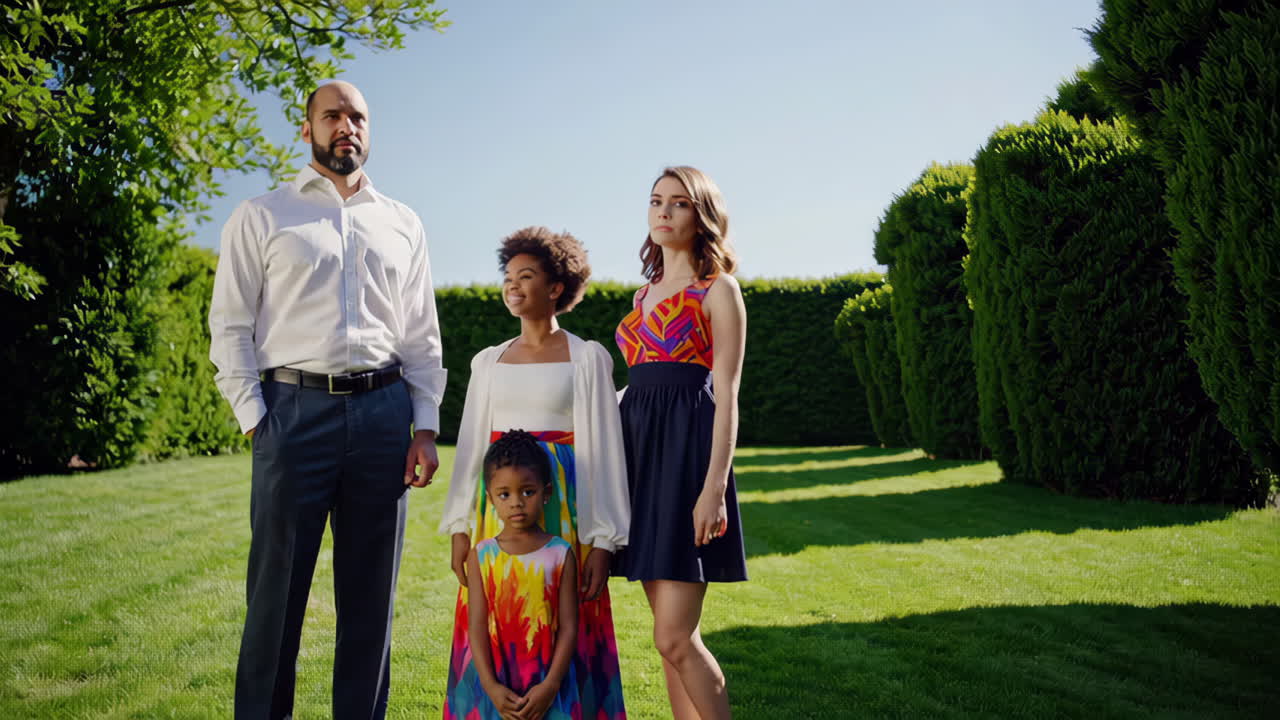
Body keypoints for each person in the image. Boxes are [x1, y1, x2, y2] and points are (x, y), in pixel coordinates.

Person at [208, 80, 446, 720]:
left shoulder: (402, 223)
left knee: (371, 603)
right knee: (275, 602)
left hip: (384, 416)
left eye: (359, 116)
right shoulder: (262, 215)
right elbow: (229, 325)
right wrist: (257, 420)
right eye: (333, 114)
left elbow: (421, 334)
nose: (348, 125)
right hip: (293, 415)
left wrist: (424, 426)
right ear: (308, 127)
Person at [440, 226, 629, 720]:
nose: (513, 285)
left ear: (557, 288)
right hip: (498, 511)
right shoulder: (488, 362)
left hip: (564, 509)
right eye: (508, 277)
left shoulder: (587, 358)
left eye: (527, 276)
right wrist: (461, 526)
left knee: (568, 620)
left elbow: (604, 454)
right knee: (496, 618)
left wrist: (603, 541)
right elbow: (470, 450)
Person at [612, 166, 748, 720]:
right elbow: (637, 386)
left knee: (675, 637)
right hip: (638, 459)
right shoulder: (642, 294)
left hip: (688, 461)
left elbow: (728, 394)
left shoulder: (719, 290)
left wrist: (713, 488)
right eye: (656, 202)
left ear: (702, 216)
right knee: (664, 640)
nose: (664, 212)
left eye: (679, 204)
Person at [466, 430, 581, 720]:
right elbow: (477, 626)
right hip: (498, 682)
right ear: (491, 498)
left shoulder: (560, 553)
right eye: (505, 494)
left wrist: (552, 683)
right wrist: (491, 686)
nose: (516, 502)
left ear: (547, 492)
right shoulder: (481, 556)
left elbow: (569, 627)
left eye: (527, 491)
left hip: (549, 682)